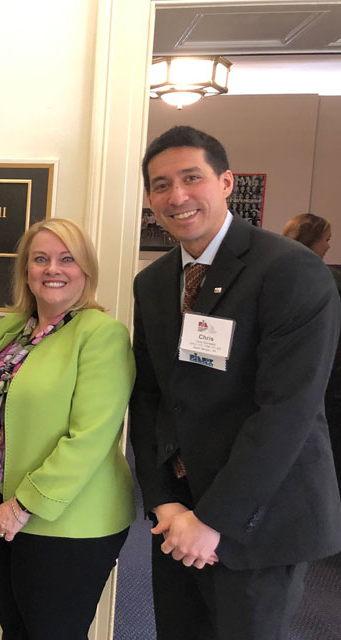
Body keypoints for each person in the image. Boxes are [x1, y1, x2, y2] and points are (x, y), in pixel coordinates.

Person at [130, 126, 341, 640]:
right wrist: (165, 502)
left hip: (258, 520)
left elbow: (286, 413)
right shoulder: (154, 283)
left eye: (191, 178)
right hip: (178, 520)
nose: (177, 196)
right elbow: (150, 397)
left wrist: (213, 520)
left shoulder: (289, 271)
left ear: (226, 182)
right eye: (161, 185)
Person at [0, 217, 135, 640]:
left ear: (85, 270)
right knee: (15, 631)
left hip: (68, 524)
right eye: (40, 259)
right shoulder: (12, 329)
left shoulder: (102, 335)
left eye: (66, 259)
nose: (52, 269)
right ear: (26, 272)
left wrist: (22, 507)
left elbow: (91, 437)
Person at [282, 212, 341, 491]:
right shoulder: (330, 279)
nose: (329, 247)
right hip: (327, 381)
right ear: (315, 241)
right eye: (327, 240)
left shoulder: (267, 272)